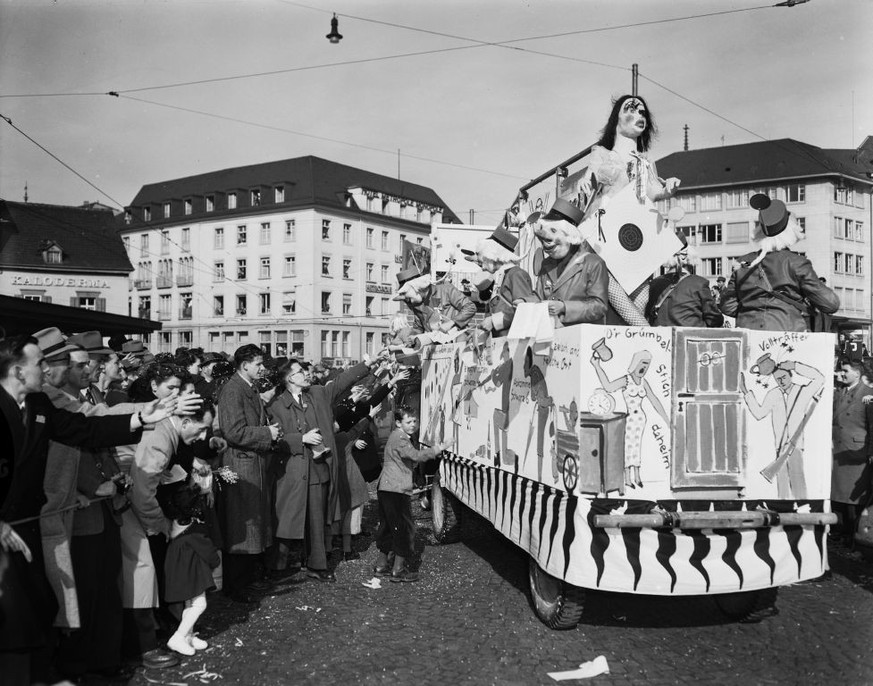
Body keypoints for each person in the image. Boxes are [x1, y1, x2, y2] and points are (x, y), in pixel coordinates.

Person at [0, 335, 189, 685]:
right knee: (11, 618)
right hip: (7, 530)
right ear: (16, 370)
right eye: (39, 363)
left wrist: (139, 418)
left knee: (34, 612)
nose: (47, 368)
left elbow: (82, 427)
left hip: (31, 526)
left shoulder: (40, 403)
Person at [577, 94, 681, 326]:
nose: (638, 115)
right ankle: (644, 331)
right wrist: (584, 183)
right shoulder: (603, 154)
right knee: (610, 286)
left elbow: (652, 192)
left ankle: (637, 333)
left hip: (634, 238)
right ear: (617, 119)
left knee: (641, 291)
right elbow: (589, 181)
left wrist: (668, 190)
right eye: (631, 110)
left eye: (642, 112)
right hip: (607, 236)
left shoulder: (645, 161)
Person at [268, 357, 372, 582]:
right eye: (299, 372)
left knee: (317, 519)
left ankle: (316, 564)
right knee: (286, 519)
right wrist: (300, 439)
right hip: (293, 473)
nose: (305, 374)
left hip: (318, 469)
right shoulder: (275, 405)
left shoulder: (316, 393)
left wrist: (368, 363)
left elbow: (341, 381)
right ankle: (276, 567)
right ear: (289, 378)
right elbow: (274, 439)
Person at [215, 344, 282, 602]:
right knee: (241, 525)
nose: (262, 368)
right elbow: (233, 431)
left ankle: (245, 581)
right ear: (245, 365)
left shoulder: (246, 386)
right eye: (258, 364)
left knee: (250, 522)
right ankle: (235, 586)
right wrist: (267, 434)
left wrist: (267, 432)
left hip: (252, 462)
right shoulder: (233, 389)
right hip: (241, 465)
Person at [153, 401, 219, 656]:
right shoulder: (193, 529)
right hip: (191, 568)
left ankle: (189, 635)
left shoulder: (177, 525)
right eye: (202, 429)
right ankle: (180, 636)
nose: (203, 437)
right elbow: (210, 553)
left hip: (181, 563)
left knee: (190, 601)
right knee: (198, 603)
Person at [719, 194, 840, 332]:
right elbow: (831, 304)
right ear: (791, 229)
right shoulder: (797, 262)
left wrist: (751, 312)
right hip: (785, 335)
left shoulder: (743, 262)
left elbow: (727, 306)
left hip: (747, 333)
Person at [374, 407, 449, 582]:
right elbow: (416, 456)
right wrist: (439, 448)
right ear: (399, 423)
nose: (413, 425)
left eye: (415, 421)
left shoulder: (396, 435)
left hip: (387, 487)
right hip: (396, 489)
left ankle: (381, 566)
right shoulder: (400, 437)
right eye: (408, 422)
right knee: (404, 528)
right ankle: (398, 570)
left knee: (387, 527)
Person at [523, 198, 609, 326]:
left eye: (553, 232)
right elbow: (539, 297)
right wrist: (524, 302)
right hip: (550, 333)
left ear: (570, 234)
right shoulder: (547, 264)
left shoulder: (593, 263)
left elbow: (599, 306)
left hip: (582, 337)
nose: (546, 246)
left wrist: (564, 307)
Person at [591, 349, 670, 488]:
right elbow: (608, 387)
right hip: (629, 420)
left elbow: (654, 400)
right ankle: (627, 478)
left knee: (637, 447)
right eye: (642, 363)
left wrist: (667, 420)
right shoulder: (626, 380)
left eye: (647, 365)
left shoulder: (643, 382)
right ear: (635, 363)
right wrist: (597, 366)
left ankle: (637, 476)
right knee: (628, 447)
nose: (644, 368)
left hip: (640, 420)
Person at [831, 358, 873, 548]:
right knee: (838, 494)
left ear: (857, 373)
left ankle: (852, 535)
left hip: (857, 453)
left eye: (846, 371)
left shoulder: (868, 395)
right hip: (838, 450)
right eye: (841, 371)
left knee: (853, 499)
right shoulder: (839, 392)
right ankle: (839, 532)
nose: (842, 374)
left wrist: (870, 452)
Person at [473, 228, 535, 337]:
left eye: (483, 262)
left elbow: (525, 310)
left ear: (493, 256)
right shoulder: (502, 275)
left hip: (514, 342)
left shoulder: (516, 274)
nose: (482, 268)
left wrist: (493, 321)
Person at [646, 243, 724, 327]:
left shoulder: (654, 283)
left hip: (660, 338)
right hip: (689, 337)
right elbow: (714, 319)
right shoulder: (699, 283)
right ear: (687, 258)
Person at [393, 266, 477, 336]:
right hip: (437, 348)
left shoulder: (446, 290)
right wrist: (411, 337)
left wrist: (452, 322)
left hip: (458, 341)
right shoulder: (417, 304)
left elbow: (470, 307)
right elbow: (418, 327)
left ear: (418, 288)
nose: (410, 302)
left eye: (408, 297)